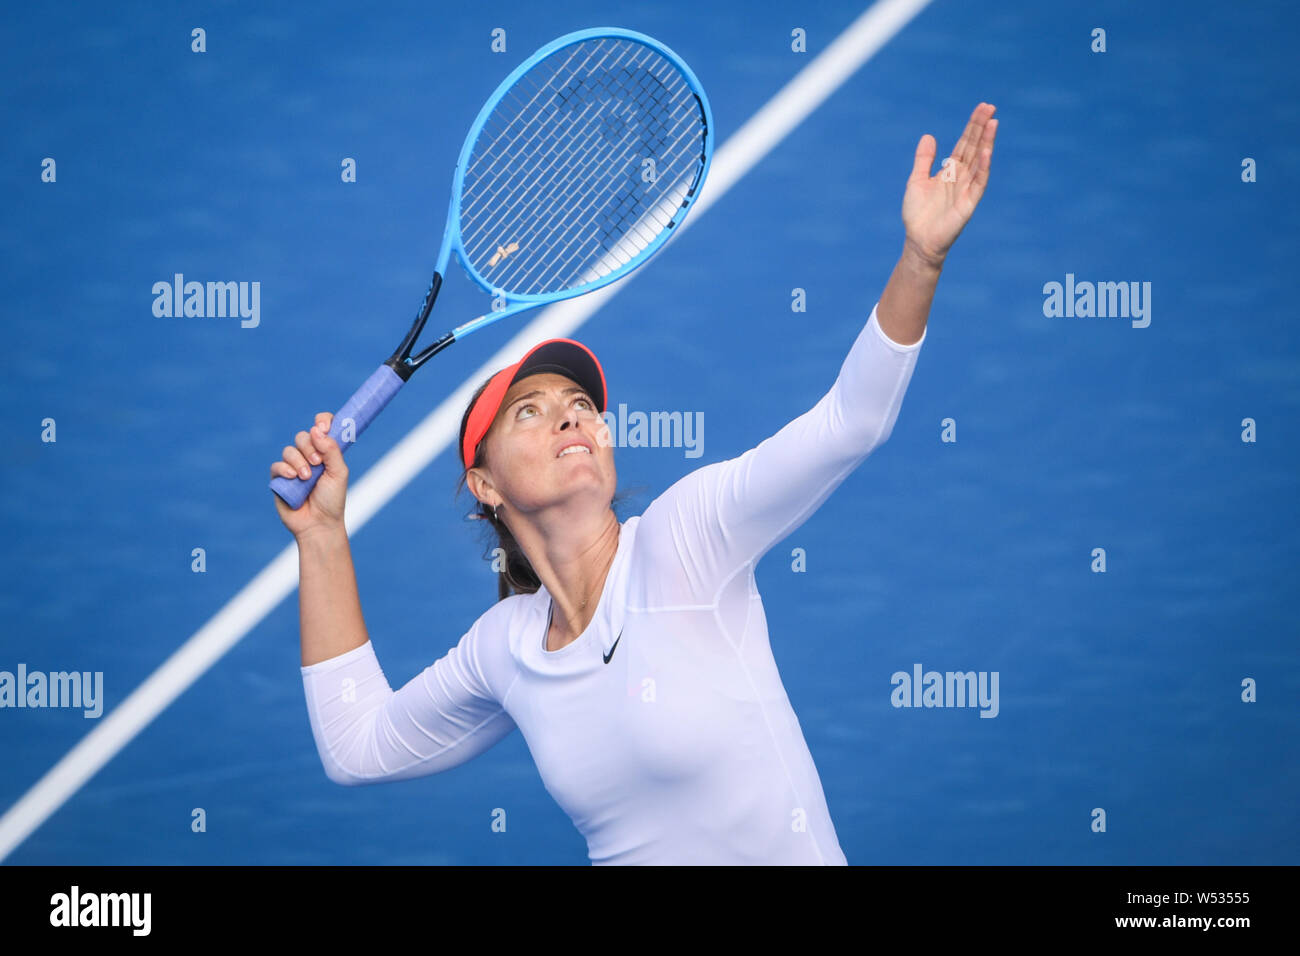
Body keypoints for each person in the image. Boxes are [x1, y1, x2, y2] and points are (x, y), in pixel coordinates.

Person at [273, 103, 999, 864]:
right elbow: (356, 747)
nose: (571, 416)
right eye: (530, 411)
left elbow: (852, 421)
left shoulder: (686, 539)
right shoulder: (506, 649)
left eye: (582, 405)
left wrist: (921, 258)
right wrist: (321, 536)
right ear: (484, 485)